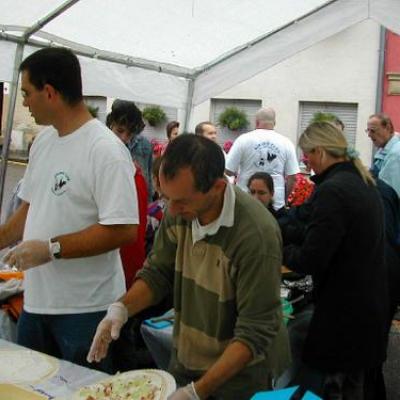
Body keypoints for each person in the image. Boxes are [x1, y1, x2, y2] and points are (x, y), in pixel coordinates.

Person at [87, 134, 290, 399]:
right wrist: (121, 309)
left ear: (217, 188)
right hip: (186, 360)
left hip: (240, 380)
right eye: (165, 197)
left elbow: (254, 333)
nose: (170, 210)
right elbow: (158, 273)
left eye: (181, 201)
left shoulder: (255, 235)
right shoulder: (179, 210)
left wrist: (196, 392)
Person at [1, 48, 138, 372]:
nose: (24, 103)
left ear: (49, 92)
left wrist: (51, 249)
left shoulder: (104, 149)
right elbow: (29, 210)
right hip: (36, 303)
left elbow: (123, 229)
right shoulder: (45, 141)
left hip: (86, 310)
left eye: (27, 93)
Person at [283, 122, 389, 399]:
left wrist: (278, 250)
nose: (308, 165)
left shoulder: (334, 189)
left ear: (320, 151)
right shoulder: (363, 182)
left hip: (344, 313)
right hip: (367, 309)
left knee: (334, 387)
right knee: (353, 385)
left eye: (308, 157)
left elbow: (311, 258)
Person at [226, 107, 300, 210]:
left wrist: (241, 173)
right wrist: (284, 198)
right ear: (274, 123)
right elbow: (293, 177)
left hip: (246, 199)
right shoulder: (286, 142)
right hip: (275, 202)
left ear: (256, 122)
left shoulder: (243, 140)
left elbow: (228, 170)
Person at [109, 99, 153, 201]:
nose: (124, 137)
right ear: (111, 124)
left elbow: (148, 179)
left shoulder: (144, 145)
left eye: (129, 133)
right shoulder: (102, 144)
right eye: (120, 131)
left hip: (138, 202)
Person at [368, 113, 400, 197]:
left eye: (373, 130)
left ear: (388, 128)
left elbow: (390, 194)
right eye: (367, 130)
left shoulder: (395, 154)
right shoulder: (384, 149)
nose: (369, 135)